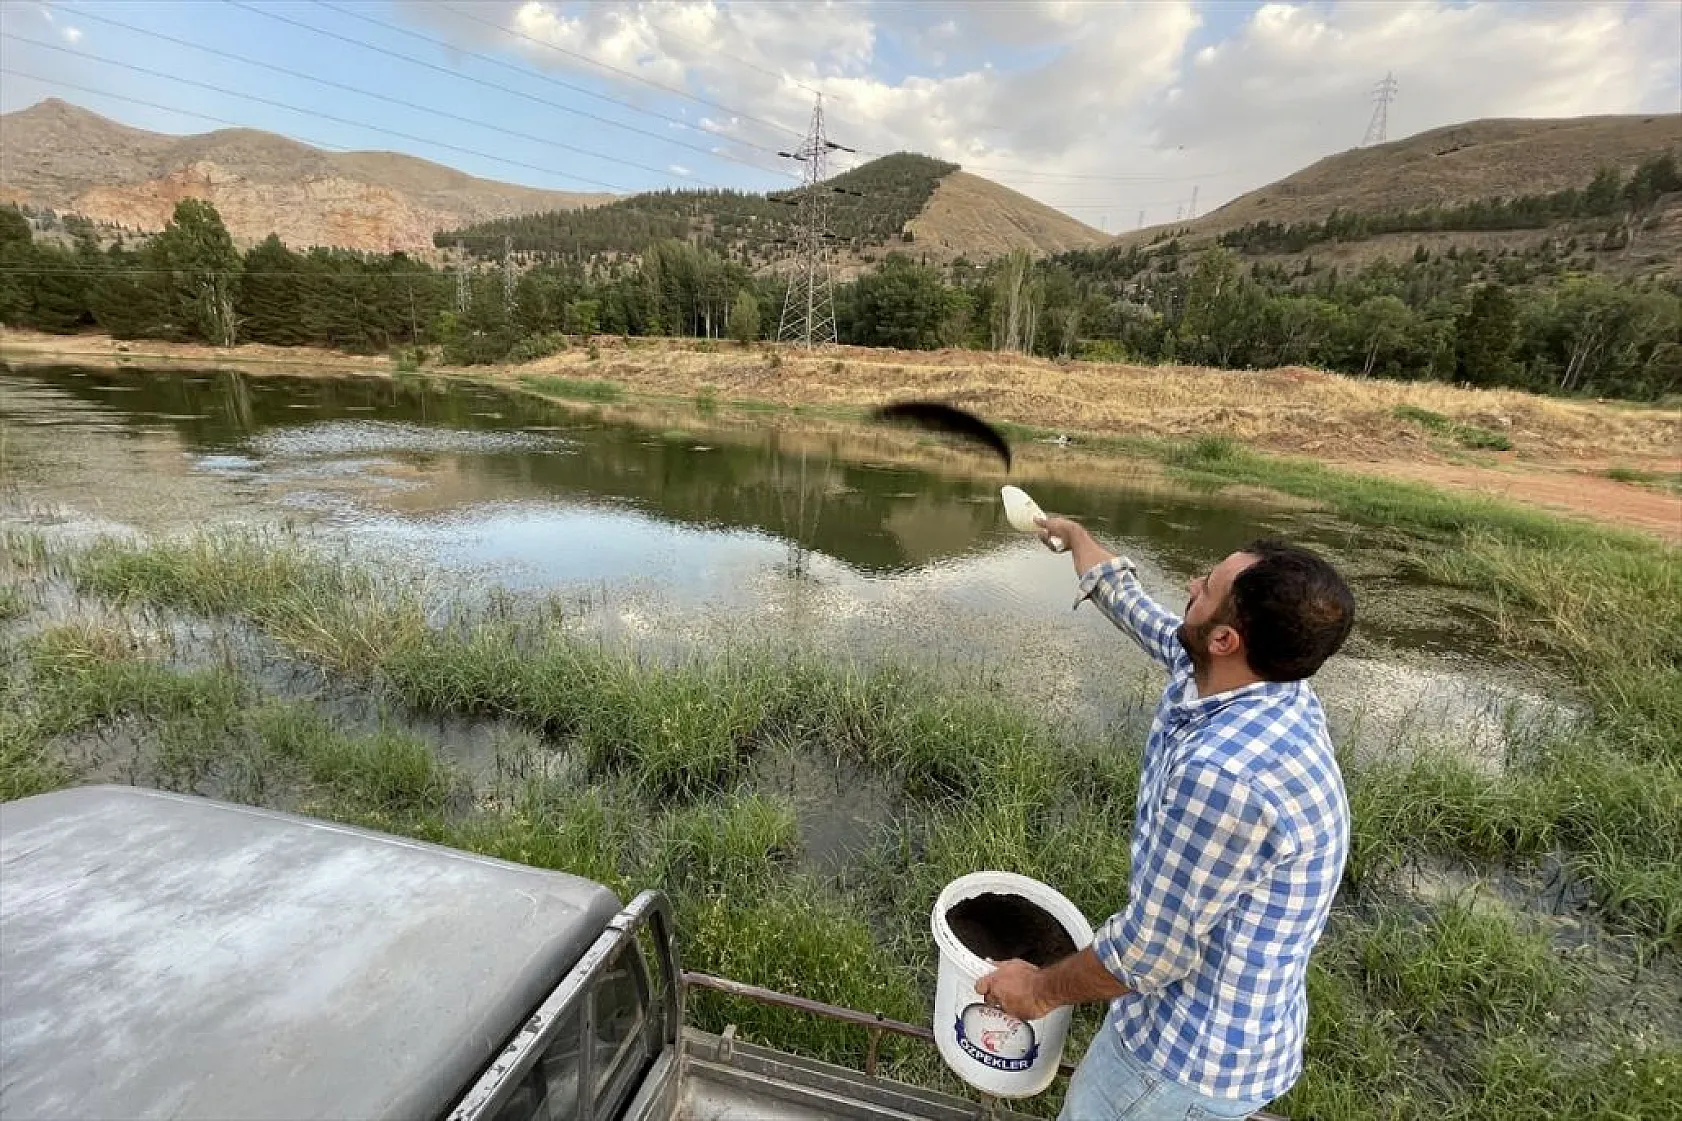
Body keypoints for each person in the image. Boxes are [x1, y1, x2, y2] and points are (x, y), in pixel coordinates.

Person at [976, 517, 1355, 1121]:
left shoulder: (1226, 775)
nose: (1190, 583)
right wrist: (1077, 538)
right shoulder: (1259, 680)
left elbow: (1151, 954)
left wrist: (1036, 991)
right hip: (1211, 1033)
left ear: (1226, 639)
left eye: (1206, 587)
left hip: (1178, 1064)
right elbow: (1144, 615)